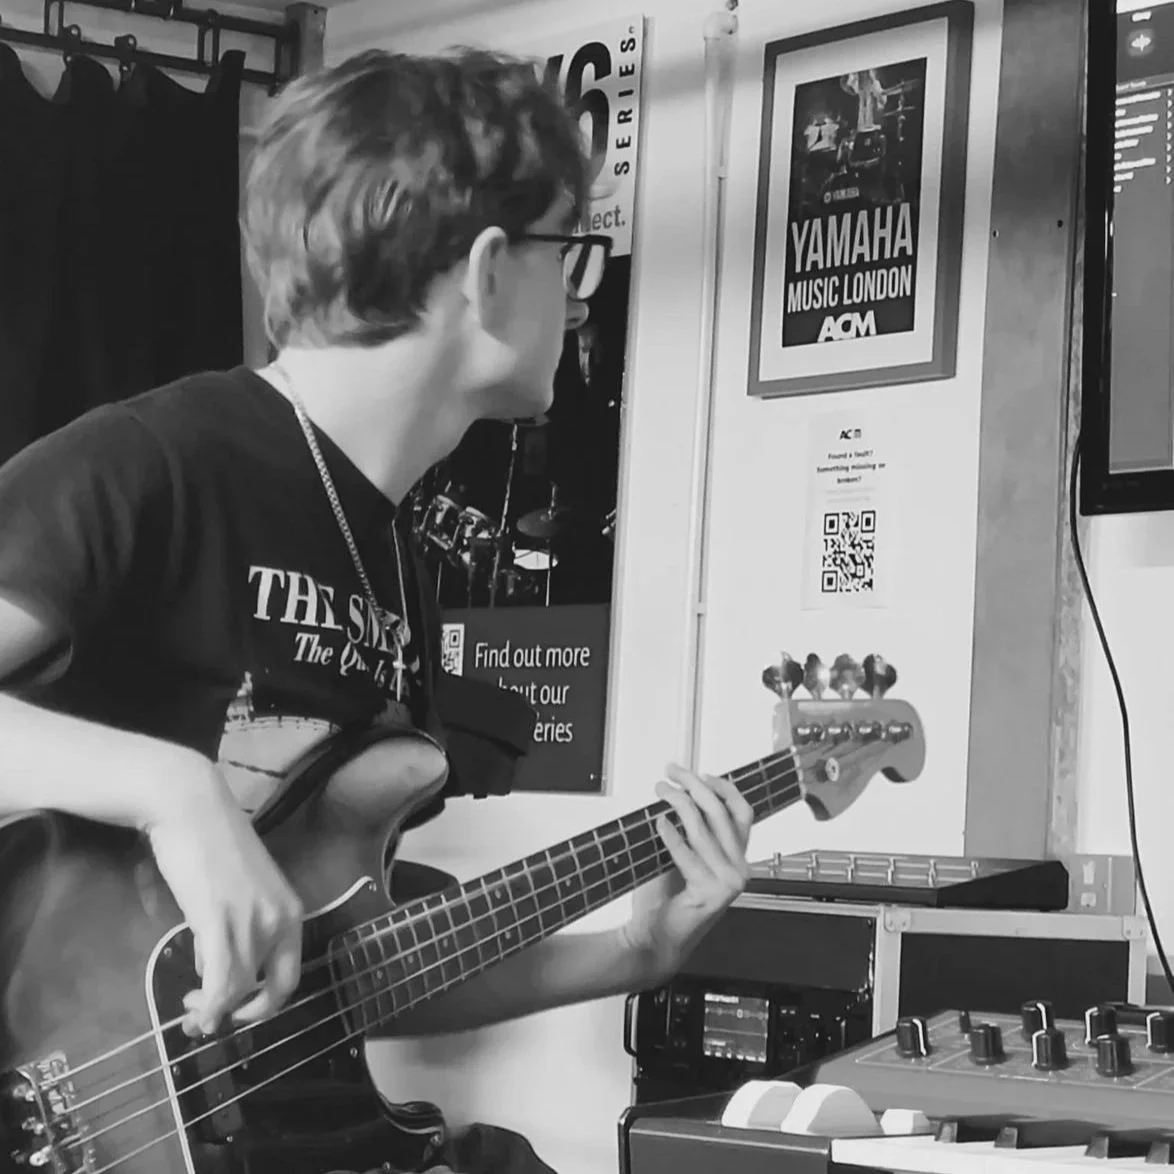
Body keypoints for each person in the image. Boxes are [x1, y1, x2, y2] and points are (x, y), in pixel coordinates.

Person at [0, 47, 753, 1171]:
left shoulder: (390, 551)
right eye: (570, 253)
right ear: (490, 271)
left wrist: (632, 952)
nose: (577, 290)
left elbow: (338, 971)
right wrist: (173, 793)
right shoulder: (153, 462)